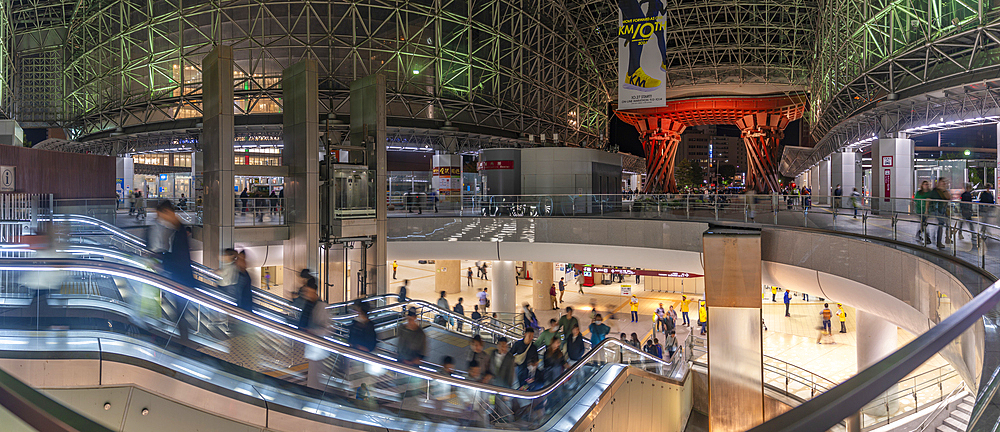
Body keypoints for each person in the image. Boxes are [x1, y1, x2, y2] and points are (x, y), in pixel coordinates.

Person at [149, 200, 195, 287]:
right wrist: (159, 256)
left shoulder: (179, 232)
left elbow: (180, 259)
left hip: (182, 282)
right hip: (179, 280)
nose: (161, 220)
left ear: (168, 212)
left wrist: (162, 265)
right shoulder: (176, 230)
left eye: (161, 217)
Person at [930, 178, 951, 249]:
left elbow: (949, 198)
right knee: (940, 224)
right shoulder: (935, 191)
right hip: (937, 210)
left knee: (941, 225)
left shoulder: (944, 191)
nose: (944, 183)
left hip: (943, 210)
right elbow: (930, 199)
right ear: (939, 182)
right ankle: (938, 241)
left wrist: (944, 190)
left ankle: (937, 238)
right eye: (942, 182)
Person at [915, 180, 933, 245]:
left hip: (927, 211)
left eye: (927, 184)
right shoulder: (919, 192)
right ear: (922, 185)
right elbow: (916, 200)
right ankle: (927, 237)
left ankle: (919, 235)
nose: (926, 185)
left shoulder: (930, 193)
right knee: (923, 223)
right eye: (925, 184)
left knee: (923, 223)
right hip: (920, 210)